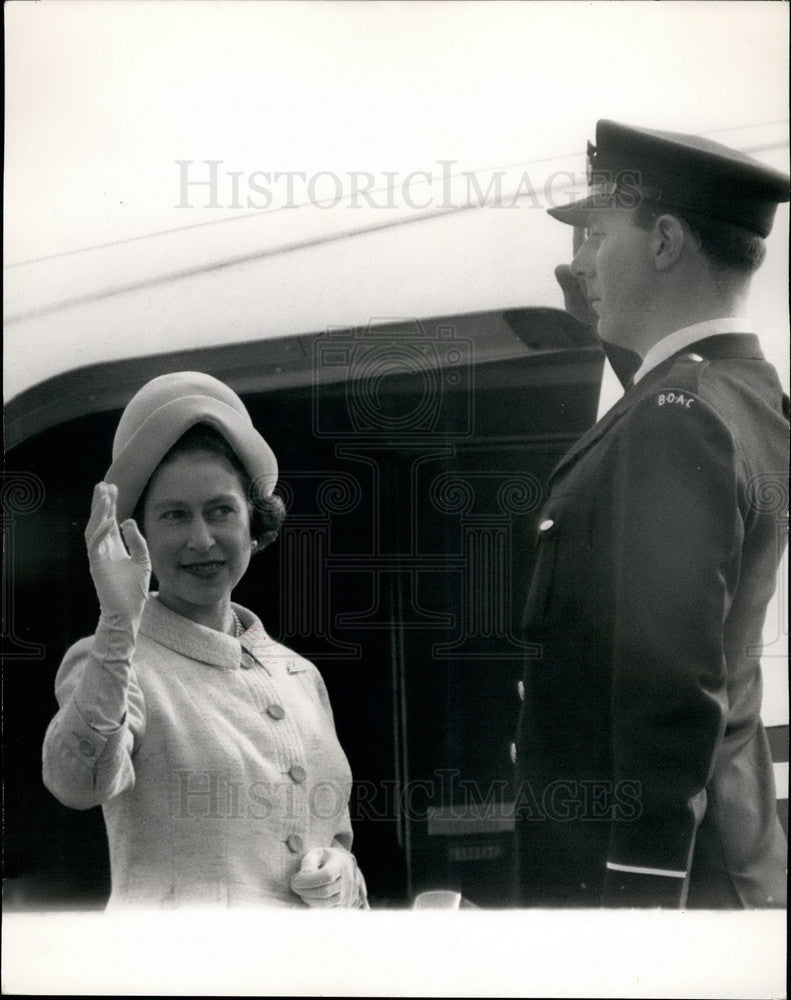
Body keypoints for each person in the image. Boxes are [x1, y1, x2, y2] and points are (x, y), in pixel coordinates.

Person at [513, 120, 789, 908]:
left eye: (596, 235)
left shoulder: (672, 419)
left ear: (664, 240)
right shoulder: (740, 396)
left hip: (658, 887)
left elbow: (669, 689)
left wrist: (640, 903)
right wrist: (610, 319)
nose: (581, 262)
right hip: (720, 865)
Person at [42, 371, 368, 909]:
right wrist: (118, 624)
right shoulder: (113, 658)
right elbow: (76, 783)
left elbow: (332, 836)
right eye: (174, 515)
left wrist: (339, 873)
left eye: (221, 511)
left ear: (253, 523)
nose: (202, 539)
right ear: (137, 532)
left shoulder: (298, 675)